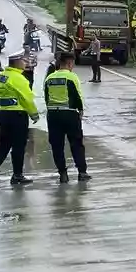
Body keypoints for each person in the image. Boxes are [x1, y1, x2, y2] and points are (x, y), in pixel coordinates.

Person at [0, 52, 40, 186]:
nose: (25, 63)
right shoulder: (19, 78)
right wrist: (34, 114)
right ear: (17, 62)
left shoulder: (0, 76)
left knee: (4, 144)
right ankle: (17, 175)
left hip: (3, 114)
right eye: (23, 60)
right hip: (18, 115)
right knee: (19, 146)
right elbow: (26, 98)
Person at [43, 51, 90, 182]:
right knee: (76, 143)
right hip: (69, 113)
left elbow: (46, 97)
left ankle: (62, 173)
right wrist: (80, 110)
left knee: (57, 145)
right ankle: (82, 172)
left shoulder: (49, 78)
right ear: (69, 63)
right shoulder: (71, 77)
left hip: (53, 114)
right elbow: (77, 95)